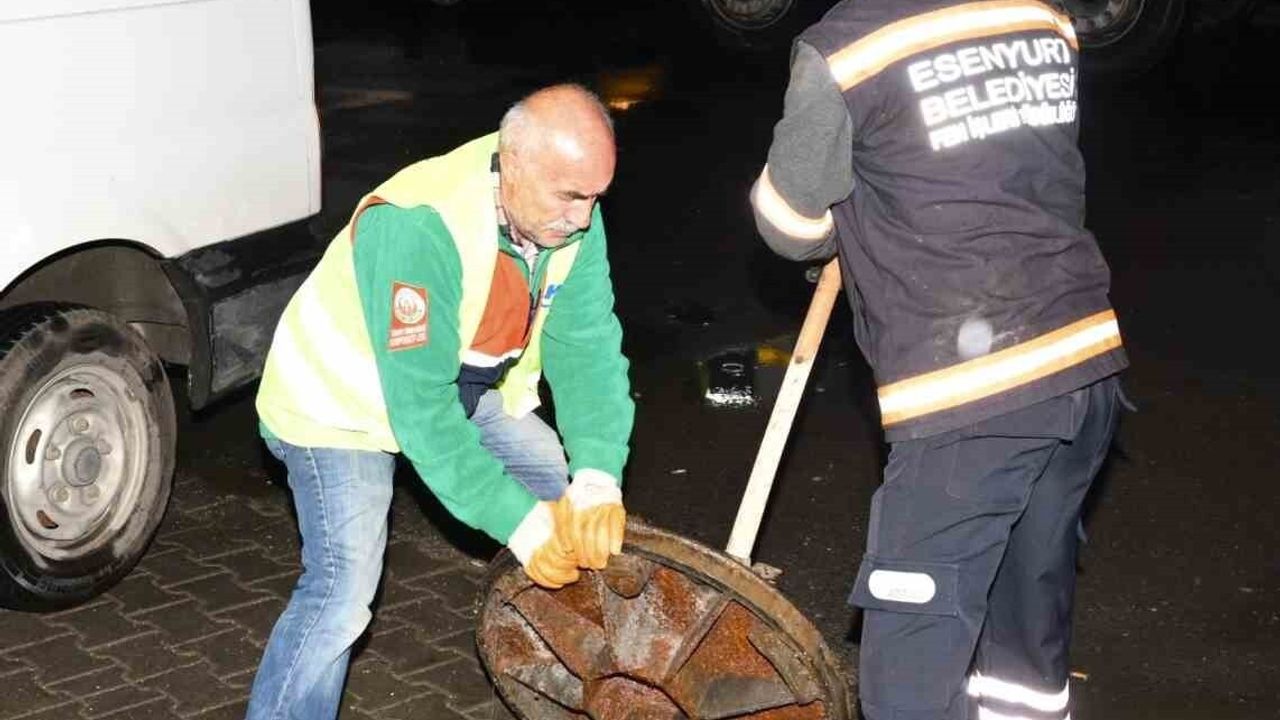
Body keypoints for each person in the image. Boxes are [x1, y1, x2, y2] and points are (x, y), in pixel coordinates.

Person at [749, 2, 1128, 719]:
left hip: (971, 396)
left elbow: (789, 223)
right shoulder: (1041, 17)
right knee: (1022, 656)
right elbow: (1004, 160)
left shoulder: (846, 48)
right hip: (1083, 365)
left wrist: (848, 215)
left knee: (908, 680)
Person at [246, 84, 633, 720]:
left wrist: (598, 474)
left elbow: (587, 347)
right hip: (337, 405)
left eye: (596, 197)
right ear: (513, 162)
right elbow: (422, 414)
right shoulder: (420, 225)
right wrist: (518, 523)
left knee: (561, 494)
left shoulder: (567, 215)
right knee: (343, 591)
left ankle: (577, 685)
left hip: (459, 384)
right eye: (571, 196)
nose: (584, 218)